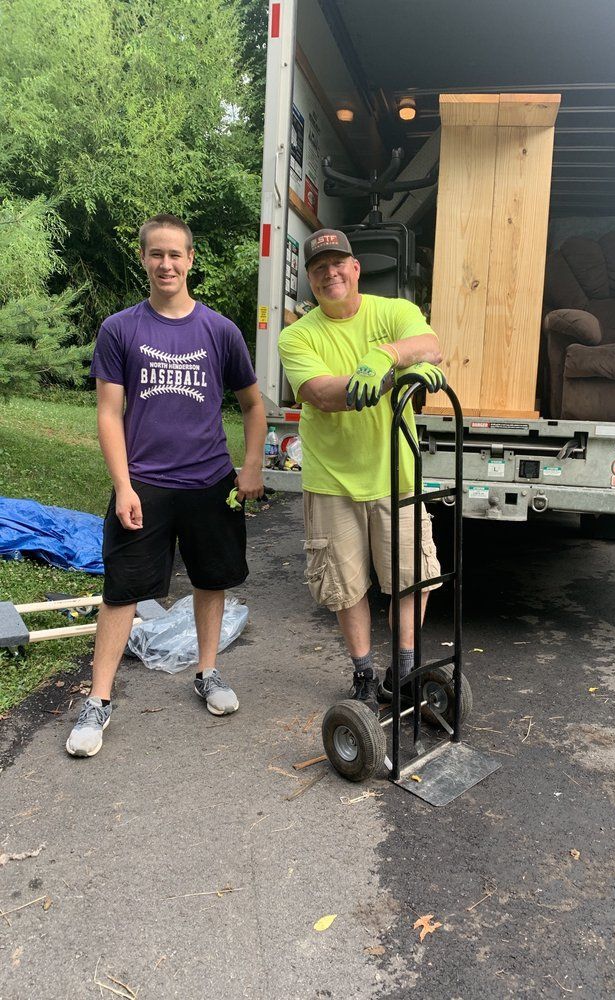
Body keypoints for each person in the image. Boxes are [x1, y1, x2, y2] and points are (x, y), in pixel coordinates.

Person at [66, 214, 266, 757]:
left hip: (209, 482)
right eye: (156, 254)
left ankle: (207, 672)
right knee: (122, 589)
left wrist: (251, 465)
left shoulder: (219, 330)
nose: (166, 264)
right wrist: (123, 485)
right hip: (145, 484)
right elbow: (109, 414)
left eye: (175, 254)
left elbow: (252, 405)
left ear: (191, 260)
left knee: (211, 579)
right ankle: (98, 701)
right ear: (144, 259)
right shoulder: (121, 329)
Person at [278, 228, 446, 711]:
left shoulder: (393, 311)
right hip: (332, 481)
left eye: (338, 263)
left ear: (355, 269)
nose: (330, 273)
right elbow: (320, 394)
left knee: (412, 579)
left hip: (399, 477)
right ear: (310, 280)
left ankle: (405, 667)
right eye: (318, 268)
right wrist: (389, 378)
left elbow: (431, 346)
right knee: (345, 584)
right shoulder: (297, 334)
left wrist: (387, 355)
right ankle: (364, 674)